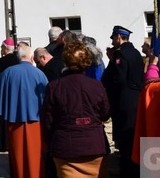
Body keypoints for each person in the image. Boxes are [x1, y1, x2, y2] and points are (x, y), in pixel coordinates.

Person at [41, 41, 110, 178]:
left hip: (66, 147)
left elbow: (47, 121)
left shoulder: (55, 87)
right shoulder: (96, 86)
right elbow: (105, 113)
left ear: (66, 61)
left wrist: (52, 140)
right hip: (93, 145)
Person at [0, 45, 48, 178]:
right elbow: (47, 97)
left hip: (14, 120)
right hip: (36, 121)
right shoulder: (39, 73)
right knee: (35, 156)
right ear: (32, 58)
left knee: (17, 155)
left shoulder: (8, 73)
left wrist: (6, 109)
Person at [101, 25, 143, 177]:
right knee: (133, 138)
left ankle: (128, 170)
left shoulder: (120, 54)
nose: (112, 41)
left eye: (113, 38)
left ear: (118, 37)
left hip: (123, 102)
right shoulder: (136, 53)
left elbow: (116, 79)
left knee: (125, 142)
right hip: (135, 100)